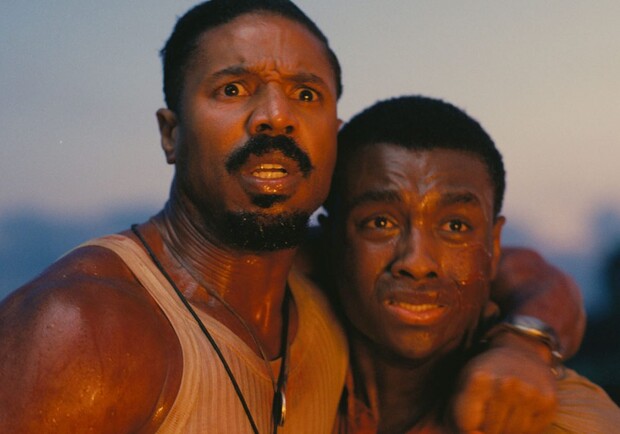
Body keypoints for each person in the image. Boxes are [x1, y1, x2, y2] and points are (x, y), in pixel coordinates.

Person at [0, 1, 584, 432]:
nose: (276, 116)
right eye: (234, 89)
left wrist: (524, 345)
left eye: (306, 95)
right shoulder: (82, 329)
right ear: (171, 134)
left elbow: (521, 271)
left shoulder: (324, 276)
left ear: (334, 135)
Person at [318, 95, 620, 433]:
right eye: (380, 223)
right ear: (328, 238)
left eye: (455, 226)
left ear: (493, 245)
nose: (417, 262)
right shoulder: (287, 343)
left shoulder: (568, 422)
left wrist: (524, 345)